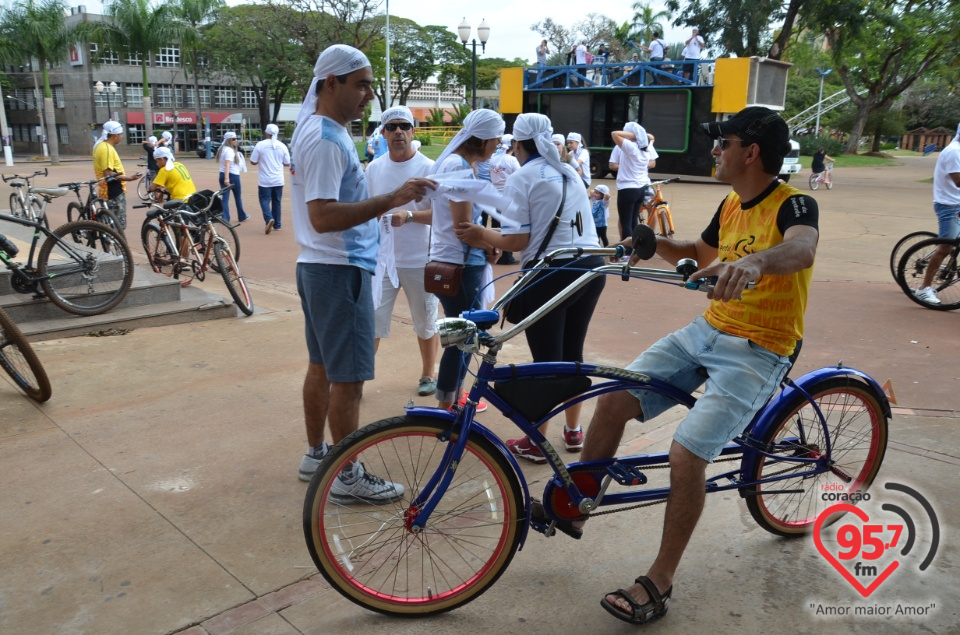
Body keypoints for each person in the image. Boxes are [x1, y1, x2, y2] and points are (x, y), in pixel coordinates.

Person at [555, 107, 819, 625]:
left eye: (724, 143)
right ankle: (578, 503)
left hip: (761, 346)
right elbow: (698, 254)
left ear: (752, 152)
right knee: (612, 399)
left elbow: (802, 249)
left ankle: (659, 580)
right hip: (707, 331)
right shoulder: (730, 203)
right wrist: (656, 245)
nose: (715, 151)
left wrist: (755, 262)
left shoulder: (795, 203)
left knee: (686, 453)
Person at [290, 44, 435, 490]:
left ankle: (319, 455)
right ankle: (346, 474)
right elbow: (324, 215)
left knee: (321, 367)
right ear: (331, 83)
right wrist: (393, 199)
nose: (369, 95)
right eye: (361, 84)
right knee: (349, 381)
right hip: (339, 270)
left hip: (320, 266)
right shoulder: (327, 139)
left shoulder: (317, 130)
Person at [455, 112, 606, 461]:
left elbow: (517, 239)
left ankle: (537, 442)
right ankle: (573, 430)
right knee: (572, 356)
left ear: (519, 144)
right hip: (592, 268)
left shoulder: (523, 176)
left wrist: (479, 234)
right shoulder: (569, 171)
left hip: (552, 274)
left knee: (546, 364)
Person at [428, 108, 504, 411]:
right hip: (459, 265)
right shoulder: (458, 167)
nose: (497, 147)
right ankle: (446, 405)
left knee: (463, 336)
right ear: (483, 139)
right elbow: (463, 228)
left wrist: (486, 241)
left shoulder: (454, 163)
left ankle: (452, 398)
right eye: (496, 141)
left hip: (452, 261)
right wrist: (491, 241)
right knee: (461, 337)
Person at [365, 105, 440, 397]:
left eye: (404, 126)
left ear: (413, 131)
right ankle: (360, 377)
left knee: (425, 319)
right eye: (392, 127)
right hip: (382, 260)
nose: (399, 132)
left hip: (419, 259)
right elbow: (367, 207)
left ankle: (427, 373)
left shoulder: (429, 168)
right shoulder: (374, 168)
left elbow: (442, 215)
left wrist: (409, 216)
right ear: (383, 133)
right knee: (371, 319)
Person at [913, 123, 960, 305]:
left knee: (952, 245)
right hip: (949, 206)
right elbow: (958, 181)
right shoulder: (954, 152)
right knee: (945, 248)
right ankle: (924, 288)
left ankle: (949, 269)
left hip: (956, 202)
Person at [613, 122, 658, 255]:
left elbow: (614, 134)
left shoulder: (631, 147)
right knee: (633, 221)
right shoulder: (646, 147)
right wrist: (639, 136)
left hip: (627, 189)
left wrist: (633, 136)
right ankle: (636, 249)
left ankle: (627, 252)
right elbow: (651, 136)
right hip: (640, 189)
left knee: (626, 222)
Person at [92, 120, 142, 230]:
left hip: (106, 190)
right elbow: (108, 174)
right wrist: (129, 178)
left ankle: (109, 245)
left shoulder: (100, 146)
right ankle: (118, 245)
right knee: (118, 226)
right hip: (113, 191)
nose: (122, 137)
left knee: (109, 224)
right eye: (120, 134)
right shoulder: (107, 149)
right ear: (115, 136)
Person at [250, 123, 291, 234]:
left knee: (264, 200)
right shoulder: (282, 146)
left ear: (266, 133)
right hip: (278, 179)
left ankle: (269, 218)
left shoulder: (260, 145)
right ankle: (277, 225)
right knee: (277, 202)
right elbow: (287, 163)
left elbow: (253, 161)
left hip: (265, 180)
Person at [489, 134, 521, 265]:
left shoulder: (493, 160)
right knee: (508, 226)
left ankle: (498, 254)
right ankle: (507, 256)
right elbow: (519, 176)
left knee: (497, 226)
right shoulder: (512, 160)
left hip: (495, 196)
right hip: (508, 197)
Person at [216, 131, 249, 223]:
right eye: (234, 139)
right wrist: (227, 178)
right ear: (229, 140)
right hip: (232, 175)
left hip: (222, 174)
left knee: (225, 198)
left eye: (236, 138)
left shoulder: (222, 149)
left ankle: (225, 218)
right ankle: (242, 216)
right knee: (237, 197)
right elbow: (227, 164)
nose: (236, 141)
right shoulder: (230, 151)